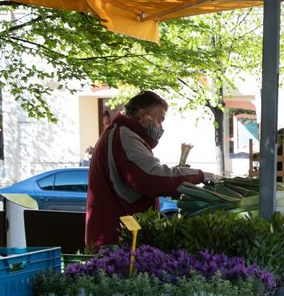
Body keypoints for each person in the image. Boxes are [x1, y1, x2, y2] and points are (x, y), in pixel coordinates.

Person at [86, 91, 217, 250]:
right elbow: (151, 178)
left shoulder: (123, 134)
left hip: (119, 237)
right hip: (116, 240)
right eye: (159, 120)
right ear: (143, 115)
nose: (161, 127)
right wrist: (200, 176)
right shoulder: (124, 136)